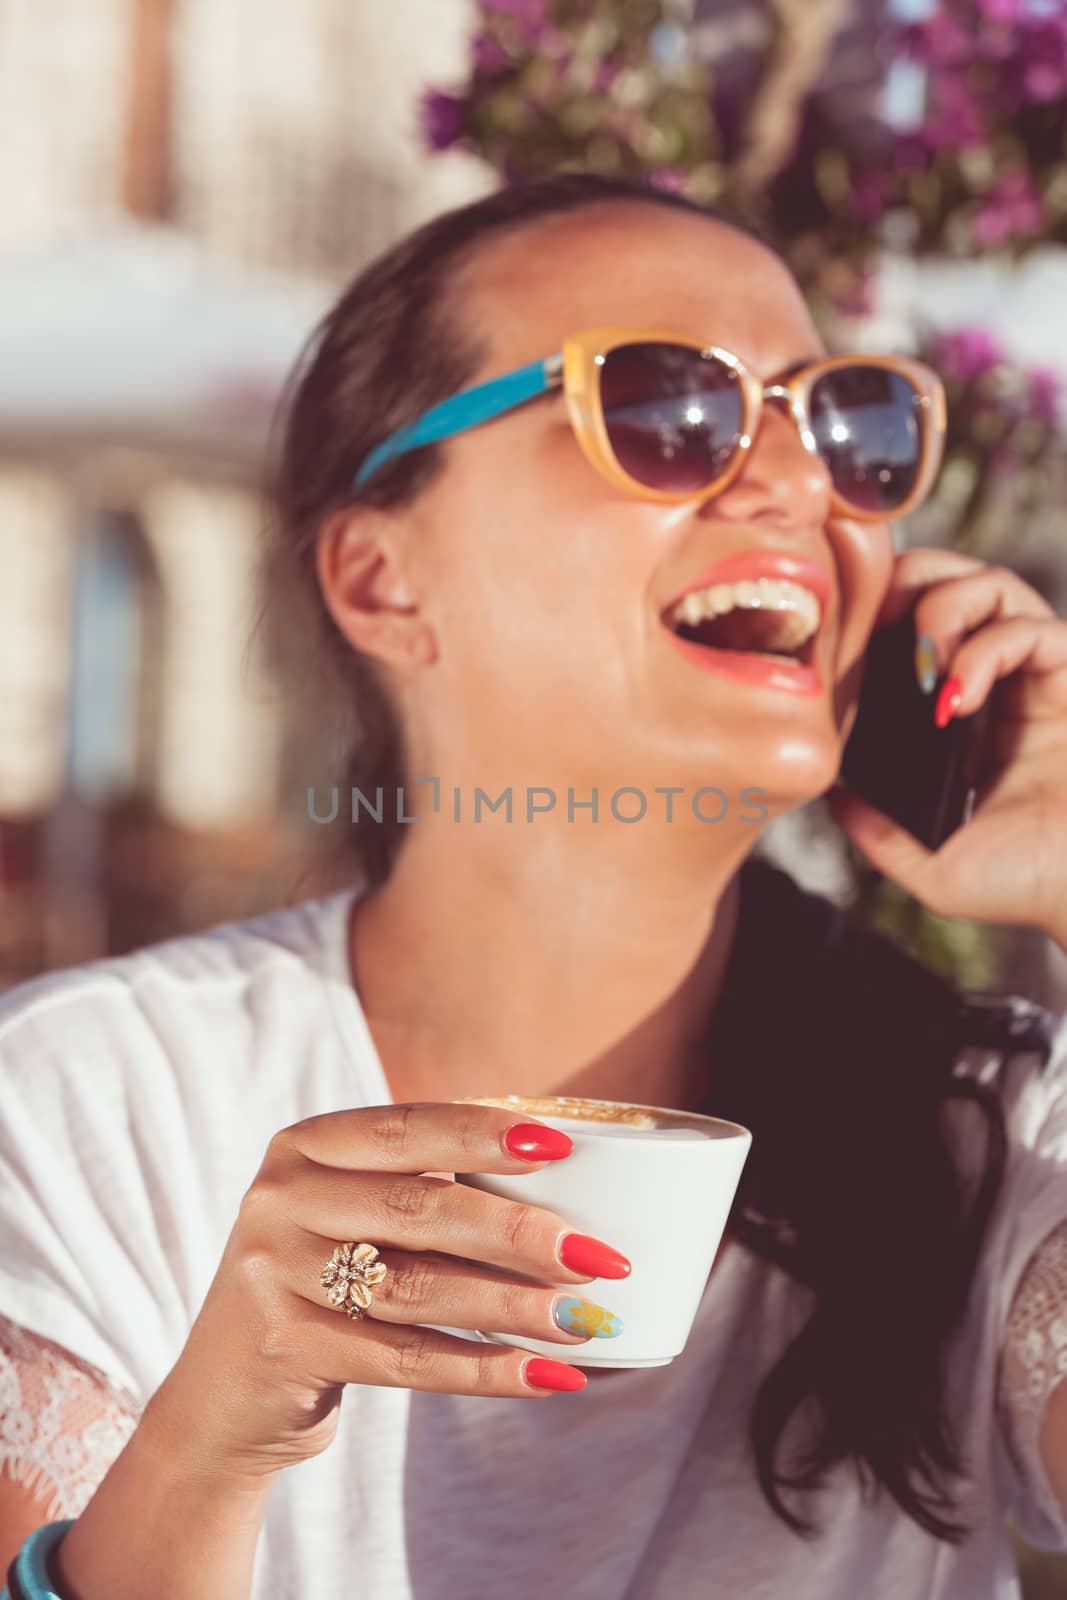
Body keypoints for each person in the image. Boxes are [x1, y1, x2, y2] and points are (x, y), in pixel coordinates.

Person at [3, 172, 1067, 1600]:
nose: (795, 483)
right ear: (382, 580)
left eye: (849, 425)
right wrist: (212, 1445)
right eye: (665, 409)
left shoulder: (992, 1128)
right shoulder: (93, 1105)